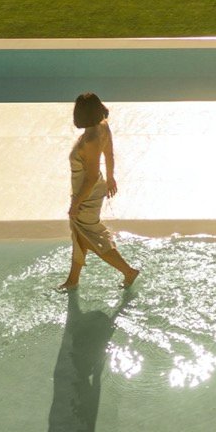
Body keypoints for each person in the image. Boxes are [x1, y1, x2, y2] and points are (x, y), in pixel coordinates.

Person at [57, 92, 140, 292]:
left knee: (91, 238)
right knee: (80, 233)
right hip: (88, 191)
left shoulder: (91, 139)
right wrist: (110, 177)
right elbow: (109, 153)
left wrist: (76, 203)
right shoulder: (103, 126)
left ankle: (128, 271)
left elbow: (92, 176)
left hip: (86, 194)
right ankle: (73, 279)